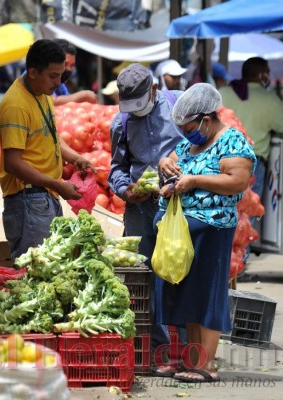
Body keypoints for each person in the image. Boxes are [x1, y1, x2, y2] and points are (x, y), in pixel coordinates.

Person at [156, 83, 256, 383]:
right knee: (187, 294)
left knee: (207, 295)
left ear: (207, 119)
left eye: (190, 128)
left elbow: (237, 182)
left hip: (212, 230)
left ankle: (205, 365)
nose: (186, 134)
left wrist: (195, 180)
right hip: (182, 231)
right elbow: (175, 162)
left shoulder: (232, 142)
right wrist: (165, 165)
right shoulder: (189, 144)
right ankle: (190, 359)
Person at [107, 63, 186, 371]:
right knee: (143, 277)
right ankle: (155, 347)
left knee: (178, 272)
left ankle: (180, 347)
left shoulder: (180, 104)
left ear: (154, 90)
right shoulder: (121, 123)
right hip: (140, 208)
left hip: (179, 204)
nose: (136, 113)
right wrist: (125, 189)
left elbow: (205, 142)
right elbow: (116, 167)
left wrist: (177, 163)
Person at [0, 39, 94, 262]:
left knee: (50, 271)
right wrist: (56, 184)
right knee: (35, 275)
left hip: (43, 197)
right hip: (28, 200)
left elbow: (51, 136)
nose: (58, 82)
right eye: (53, 76)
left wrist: (75, 158)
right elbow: (12, 162)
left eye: (60, 75)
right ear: (33, 72)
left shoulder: (41, 94)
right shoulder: (16, 105)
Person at [219, 57, 283, 200]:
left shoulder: (223, 92)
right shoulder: (270, 99)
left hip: (219, 160)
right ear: (261, 75)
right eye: (267, 72)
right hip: (252, 164)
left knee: (221, 210)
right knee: (246, 214)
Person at [51, 38, 97, 105]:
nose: (69, 69)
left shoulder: (60, 84)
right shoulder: (40, 78)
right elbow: (51, 101)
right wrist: (83, 95)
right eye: (65, 64)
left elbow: (67, 101)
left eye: (72, 65)